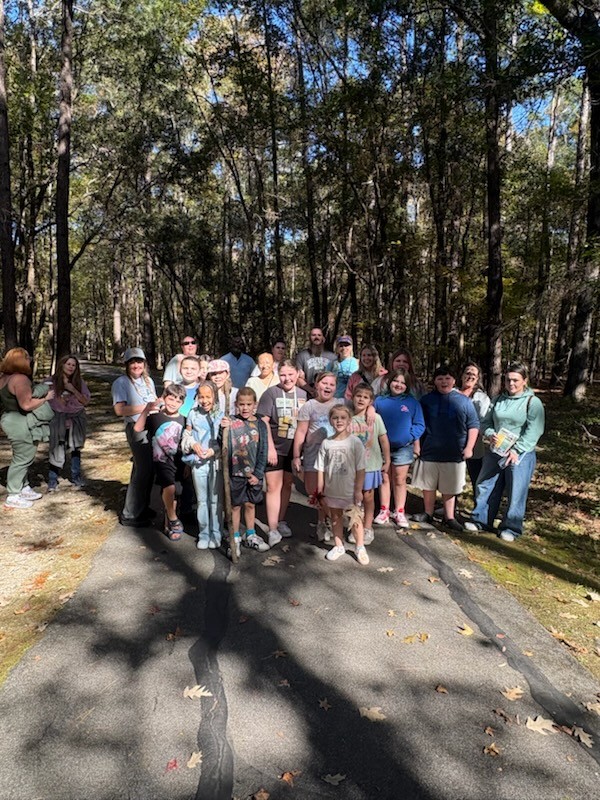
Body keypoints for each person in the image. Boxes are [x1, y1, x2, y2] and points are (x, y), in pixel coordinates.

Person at [468, 363, 545, 543]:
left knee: (516, 491)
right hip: (496, 451)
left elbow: (535, 430)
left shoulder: (533, 403)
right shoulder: (498, 400)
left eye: (515, 380)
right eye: (508, 380)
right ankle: (481, 520)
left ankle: (511, 527)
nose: (511, 383)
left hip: (520, 455)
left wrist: (517, 449)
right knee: (486, 484)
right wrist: (490, 434)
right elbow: (486, 422)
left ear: (524, 381)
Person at [411, 366, 479, 532]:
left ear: (454, 381)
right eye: (440, 378)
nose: (444, 382)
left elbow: (473, 425)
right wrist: (417, 445)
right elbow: (418, 423)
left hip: (454, 452)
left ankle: (449, 517)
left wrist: (469, 447)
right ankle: (428, 513)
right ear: (435, 381)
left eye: (448, 378)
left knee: (450, 487)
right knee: (428, 485)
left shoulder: (464, 401)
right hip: (429, 450)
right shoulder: (426, 400)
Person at [257, 360, 307, 546]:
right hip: (275, 448)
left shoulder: (303, 394)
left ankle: (280, 520)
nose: (287, 379)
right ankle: (272, 529)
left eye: (290, 374)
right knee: (272, 486)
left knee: (287, 484)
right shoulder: (271, 393)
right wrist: (269, 447)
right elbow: (263, 421)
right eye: (283, 375)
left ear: (297, 374)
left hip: (294, 449)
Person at [0, 348, 54, 509]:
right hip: (20, 422)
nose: (30, 359)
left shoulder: (4, 378)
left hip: (10, 419)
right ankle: (13, 495)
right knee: (23, 458)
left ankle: (23, 487)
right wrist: (46, 398)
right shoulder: (19, 379)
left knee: (21, 456)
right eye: (27, 357)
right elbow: (26, 405)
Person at [315, 404, 368, 564]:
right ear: (330, 421)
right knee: (335, 517)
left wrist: (358, 490)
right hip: (332, 489)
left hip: (350, 490)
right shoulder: (326, 443)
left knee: (355, 519)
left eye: (343, 418)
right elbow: (321, 468)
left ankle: (360, 546)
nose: (339, 421)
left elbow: (361, 468)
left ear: (349, 420)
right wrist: (320, 489)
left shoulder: (355, 442)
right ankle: (339, 545)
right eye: (335, 418)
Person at [112, 347, 158, 527]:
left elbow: (153, 402)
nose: (136, 365)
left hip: (151, 426)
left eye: (139, 361)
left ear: (144, 363)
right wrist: (147, 407)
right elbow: (119, 410)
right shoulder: (121, 383)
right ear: (126, 365)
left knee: (149, 470)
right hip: (136, 428)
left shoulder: (148, 381)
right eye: (132, 362)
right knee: (142, 470)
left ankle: (142, 507)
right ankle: (130, 514)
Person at [373, 369, 425, 528]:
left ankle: (399, 511)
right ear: (390, 382)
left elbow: (420, 424)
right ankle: (384, 510)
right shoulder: (380, 401)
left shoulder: (412, 403)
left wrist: (409, 436)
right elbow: (371, 420)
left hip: (403, 448)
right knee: (384, 479)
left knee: (400, 480)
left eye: (403, 383)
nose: (398, 385)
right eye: (396, 381)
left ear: (407, 386)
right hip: (382, 448)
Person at [221, 386, 270, 556]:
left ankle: (251, 534)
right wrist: (222, 429)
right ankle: (234, 537)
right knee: (235, 506)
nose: (245, 408)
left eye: (249, 404)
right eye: (241, 404)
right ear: (236, 404)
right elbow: (222, 443)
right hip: (235, 473)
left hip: (253, 474)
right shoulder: (230, 422)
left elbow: (263, 450)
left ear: (255, 404)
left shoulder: (260, 424)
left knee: (250, 504)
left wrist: (258, 473)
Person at [134, 383, 186, 540]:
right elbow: (137, 429)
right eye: (170, 399)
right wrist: (146, 410)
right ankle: (173, 518)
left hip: (178, 461)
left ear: (182, 403)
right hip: (161, 461)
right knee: (169, 487)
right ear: (164, 398)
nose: (173, 403)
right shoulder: (155, 417)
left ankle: (168, 525)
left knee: (174, 493)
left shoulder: (184, 420)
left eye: (178, 401)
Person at [292, 371, 340, 541]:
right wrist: (296, 456)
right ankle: (328, 520)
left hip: (335, 456)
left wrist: (370, 410)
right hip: (313, 454)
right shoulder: (309, 406)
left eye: (332, 384)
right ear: (317, 385)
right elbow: (301, 431)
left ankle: (330, 523)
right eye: (324, 383)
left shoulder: (341, 403)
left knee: (330, 493)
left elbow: (363, 403)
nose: (328, 387)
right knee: (315, 492)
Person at [181, 380, 224, 550]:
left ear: (215, 397)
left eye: (208, 397)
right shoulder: (193, 414)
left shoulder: (221, 415)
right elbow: (187, 434)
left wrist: (215, 451)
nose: (205, 400)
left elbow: (225, 440)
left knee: (215, 500)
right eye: (201, 397)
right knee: (202, 500)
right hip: (198, 462)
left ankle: (216, 533)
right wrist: (192, 444)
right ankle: (204, 533)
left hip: (215, 462)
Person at [349, 383, 390, 545]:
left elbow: (383, 440)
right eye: (358, 396)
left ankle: (367, 527)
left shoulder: (376, 418)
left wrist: (387, 460)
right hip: (351, 467)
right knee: (353, 498)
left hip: (371, 465)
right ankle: (355, 527)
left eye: (365, 397)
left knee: (368, 497)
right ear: (352, 397)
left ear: (370, 401)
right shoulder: (347, 416)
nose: (361, 399)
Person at [47, 354, 91, 491]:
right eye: (68, 364)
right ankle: (52, 480)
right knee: (56, 447)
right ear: (62, 365)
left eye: (74, 365)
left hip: (75, 421)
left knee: (76, 449)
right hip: (57, 421)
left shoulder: (79, 383)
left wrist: (72, 389)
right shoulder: (51, 382)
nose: (71, 367)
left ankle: (76, 477)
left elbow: (85, 401)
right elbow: (45, 399)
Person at [458, 361, 491, 493]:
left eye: (474, 375)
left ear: (477, 379)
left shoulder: (482, 398)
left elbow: (483, 421)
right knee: (453, 479)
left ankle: (479, 504)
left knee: (477, 478)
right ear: (462, 375)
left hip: (475, 444)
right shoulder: (452, 394)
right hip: (454, 442)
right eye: (468, 373)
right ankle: (451, 504)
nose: (470, 376)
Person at [295, 328, 335, 396]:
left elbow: (336, 378)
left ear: (323, 338)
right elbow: (298, 378)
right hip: (308, 393)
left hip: (327, 394)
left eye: (319, 335)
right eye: (313, 335)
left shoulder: (332, 357)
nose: (316, 337)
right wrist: (311, 390)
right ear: (309, 338)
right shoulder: (301, 356)